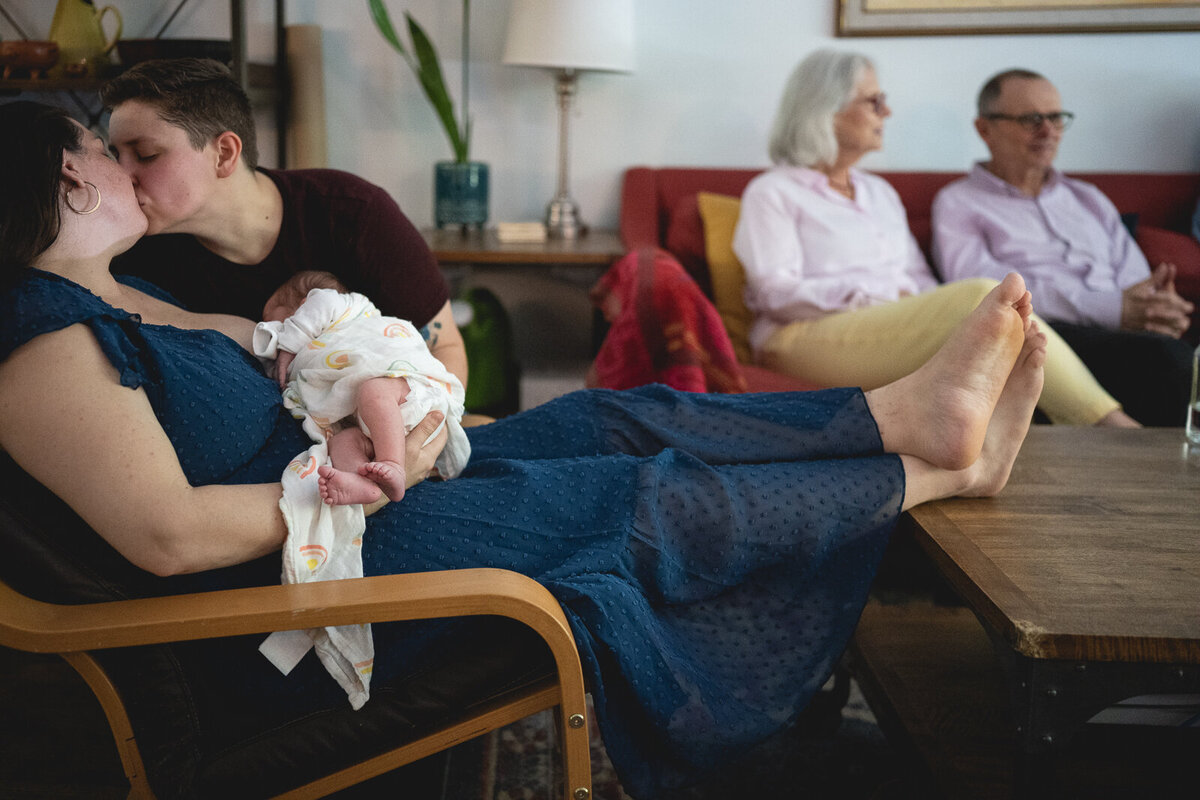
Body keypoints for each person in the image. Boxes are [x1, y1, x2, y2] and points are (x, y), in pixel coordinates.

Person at [0, 100, 1046, 798]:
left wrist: (379, 405)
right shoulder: (44, 343)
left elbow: (277, 349)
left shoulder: (109, 295)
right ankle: (931, 470)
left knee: (611, 418)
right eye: (106, 146)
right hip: (308, 589)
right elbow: (169, 537)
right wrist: (344, 482)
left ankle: (903, 419)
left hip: (353, 495)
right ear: (66, 175)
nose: (122, 159)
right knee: (635, 501)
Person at [732, 49, 1136, 429]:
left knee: (993, 318)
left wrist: (916, 303)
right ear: (827, 109)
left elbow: (919, 278)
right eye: (874, 101)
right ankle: (1112, 426)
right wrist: (873, 296)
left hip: (886, 328)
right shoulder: (773, 191)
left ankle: (1068, 438)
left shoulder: (880, 193)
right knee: (983, 296)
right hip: (800, 337)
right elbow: (775, 292)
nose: (886, 112)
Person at [99, 57, 468, 387]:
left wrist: (412, 451)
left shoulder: (353, 214)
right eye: (117, 155)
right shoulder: (131, 251)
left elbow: (444, 349)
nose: (121, 174)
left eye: (145, 154)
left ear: (224, 154)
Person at [931, 68, 1194, 426]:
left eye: (1056, 117)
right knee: (1167, 360)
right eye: (1031, 119)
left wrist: (1155, 307)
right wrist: (1112, 309)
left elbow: (1134, 277)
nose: (1048, 131)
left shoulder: (1088, 198)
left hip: (1128, 334)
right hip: (1048, 334)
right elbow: (981, 291)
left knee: (1173, 354)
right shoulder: (959, 203)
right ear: (985, 129)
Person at [255, 270, 469, 505]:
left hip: (408, 391)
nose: (272, 330)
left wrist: (290, 342)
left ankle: (395, 465)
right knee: (343, 441)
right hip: (379, 425)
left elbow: (322, 304)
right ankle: (362, 483)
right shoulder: (315, 350)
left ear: (305, 304)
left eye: (277, 321)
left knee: (373, 392)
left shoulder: (345, 308)